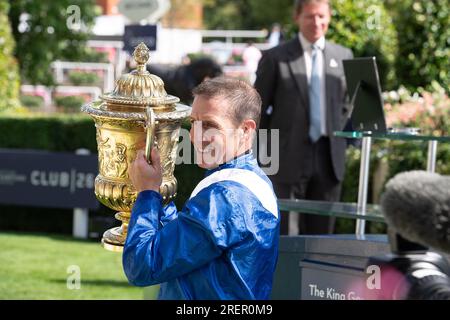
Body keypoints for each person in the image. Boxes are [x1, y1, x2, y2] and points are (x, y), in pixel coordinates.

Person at [123, 77, 280, 300]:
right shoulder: (240, 182)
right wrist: (160, 194)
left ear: (245, 130)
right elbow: (181, 248)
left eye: (209, 125)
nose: (196, 136)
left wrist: (147, 193)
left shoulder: (226, 196)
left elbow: (142, 266)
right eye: (194, 122)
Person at [254, 0, 354, 235]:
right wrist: (271, 149)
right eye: (310, 16)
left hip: (329, 160)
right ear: (297, 17)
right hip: (287, 159)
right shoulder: (275, 58)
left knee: (322, 237)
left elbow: (348, 103)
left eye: (321, 16)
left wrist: (339, 134)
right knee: (287, 235)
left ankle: (318, 274)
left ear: (329, 18)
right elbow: (256, 109)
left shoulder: (343, 55)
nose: (317, 22)